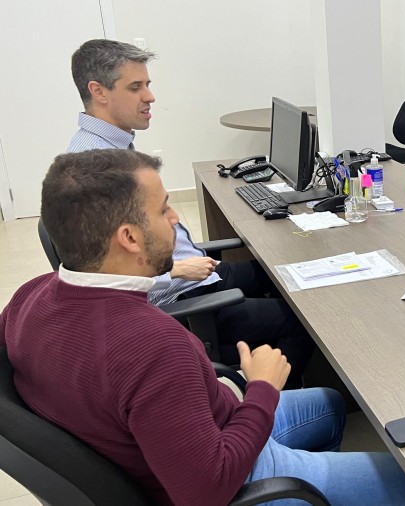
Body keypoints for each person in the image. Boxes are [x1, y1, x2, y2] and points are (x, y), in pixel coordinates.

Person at [0, 149, 405, 505]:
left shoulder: (28, 297)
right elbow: (206, 491)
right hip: (228, 472)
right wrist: (262, 389)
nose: (174, 217)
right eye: (163, 209)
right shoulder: (154, 345)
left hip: (197, 430)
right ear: (129, 238)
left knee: (329, 405)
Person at [67, 39, 313, 386]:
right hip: (181, 294)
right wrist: (174, 271)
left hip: (192, 271)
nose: (150, 97)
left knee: (284, 274)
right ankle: (260, 403)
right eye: (135, 87)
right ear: (99, 92)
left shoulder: (111, 146)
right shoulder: (96, 170)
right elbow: (104, 281)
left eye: (147, 84)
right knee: (305, 318)